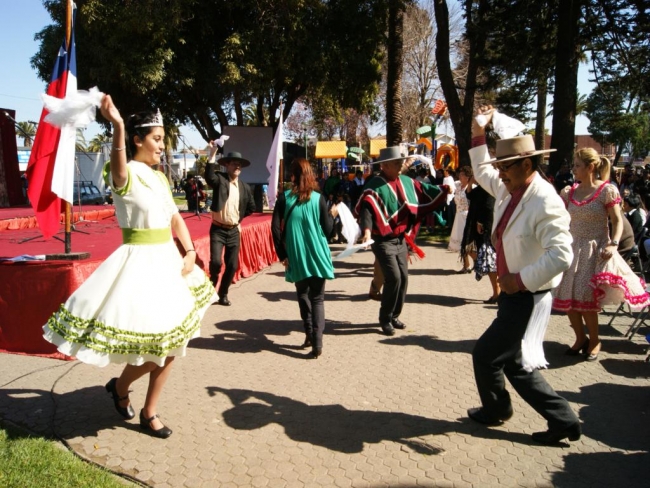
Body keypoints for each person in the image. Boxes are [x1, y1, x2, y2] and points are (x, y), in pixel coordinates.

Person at [42, 97, 215, 439]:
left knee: (173, 343)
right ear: (138, 139)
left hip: (167, 263)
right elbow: (119, 164)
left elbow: (176, 218)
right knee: (155, 346)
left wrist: (191, 250)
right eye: (156, 138)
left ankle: (149, 410)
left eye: (162, 139)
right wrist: (117, 126)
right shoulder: (124, 174)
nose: (162, 145)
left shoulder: (160, 178)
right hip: (137, 264)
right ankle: (120, 388)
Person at [467, 106, 582, 445]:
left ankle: (498, 411)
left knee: (487, 355)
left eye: (505, 167)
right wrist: (477, 131)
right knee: (513, 364)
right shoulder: (510, 187)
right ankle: (562, 420)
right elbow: (480, 169)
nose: (499, 174)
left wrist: (520, 280)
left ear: (527, 164)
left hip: (527, 297)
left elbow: (562, 253)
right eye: (499, 167)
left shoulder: (544, 199)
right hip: (515, 297)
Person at [552, 148, 650, 361]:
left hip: (594, 250)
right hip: (572, 246)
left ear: (590, 167)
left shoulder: (607, 191)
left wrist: (613, 244)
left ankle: (594, 339)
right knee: (567, 296)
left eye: (577, 165)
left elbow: (616, 221)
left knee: (586, 297)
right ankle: (580, 338)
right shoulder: (569, 192)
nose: (573, 169)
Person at [356, 146, 448, 336]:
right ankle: (385, 318)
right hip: (382, 240)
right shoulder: (374, 185)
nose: (400, 166)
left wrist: (445, 188)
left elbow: (425, 190)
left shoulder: (405, 182)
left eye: (400, 163)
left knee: (404, 278)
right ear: (385, 165)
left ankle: (395, 315)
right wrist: (366, 231)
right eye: (397, 163)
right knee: (394, 278)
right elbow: (366, 209)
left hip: (400, 239)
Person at [271, 158, 335, 358]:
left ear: (292, 176)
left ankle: (309, 333)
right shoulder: (319, 198)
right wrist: (332, 214)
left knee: (303, 296)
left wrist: (282, 254)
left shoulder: (284, 199)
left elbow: (274, 229)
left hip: (296, 255)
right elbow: (329, 231)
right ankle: (317, 343)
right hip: (318, 254)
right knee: (318, 299)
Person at [204, 148, 256, 306]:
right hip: (218, 229)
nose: (237, 167)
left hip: (234, 230)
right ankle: (211, 290)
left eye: (239, 165)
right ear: (227, 165)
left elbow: (251, 207)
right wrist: (211, 155)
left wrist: (238, 219)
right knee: (216, 263)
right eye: (234, 164)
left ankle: (223, 293)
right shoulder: (220, 179)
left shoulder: (245, 187)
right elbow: (209, 176)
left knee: (232, 265)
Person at [461, 175, 500, 303]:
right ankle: (497, 292)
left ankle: (497, 293)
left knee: (489, 261)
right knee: (486, 259)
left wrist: (481, 222)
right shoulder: (482, 188)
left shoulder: (489, 189)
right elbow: (470, 195)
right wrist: (471, 183)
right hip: (481, 229)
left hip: (487, 230)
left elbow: (489, 207)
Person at [448, 166, 473, 270]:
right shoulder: (457, 185)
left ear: (468, 177)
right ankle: (466, 264)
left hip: (467, 216)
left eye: (463, 174)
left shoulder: (472, 187)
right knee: (460, 242)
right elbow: (448, 188)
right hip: (458, 216)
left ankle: (477, 261)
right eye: (460, 174)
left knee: (466, 242)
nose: (460, 176)